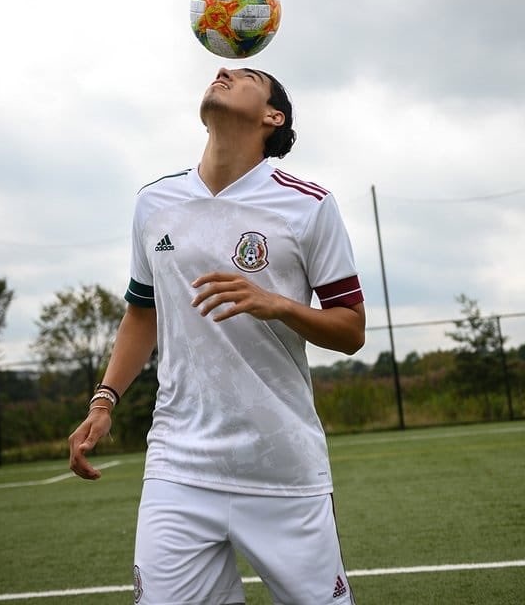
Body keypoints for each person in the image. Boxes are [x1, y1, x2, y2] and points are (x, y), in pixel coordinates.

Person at [69, 66, 366, 605]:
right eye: (221, 68)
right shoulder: (153, 203)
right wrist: (105, 398)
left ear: (272, 117)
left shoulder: (309, 205)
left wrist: (275, 303)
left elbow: (351, 330)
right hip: (179, 464)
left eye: (247, 73)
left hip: (281, 467)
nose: (223, 70)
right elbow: (142, 313)